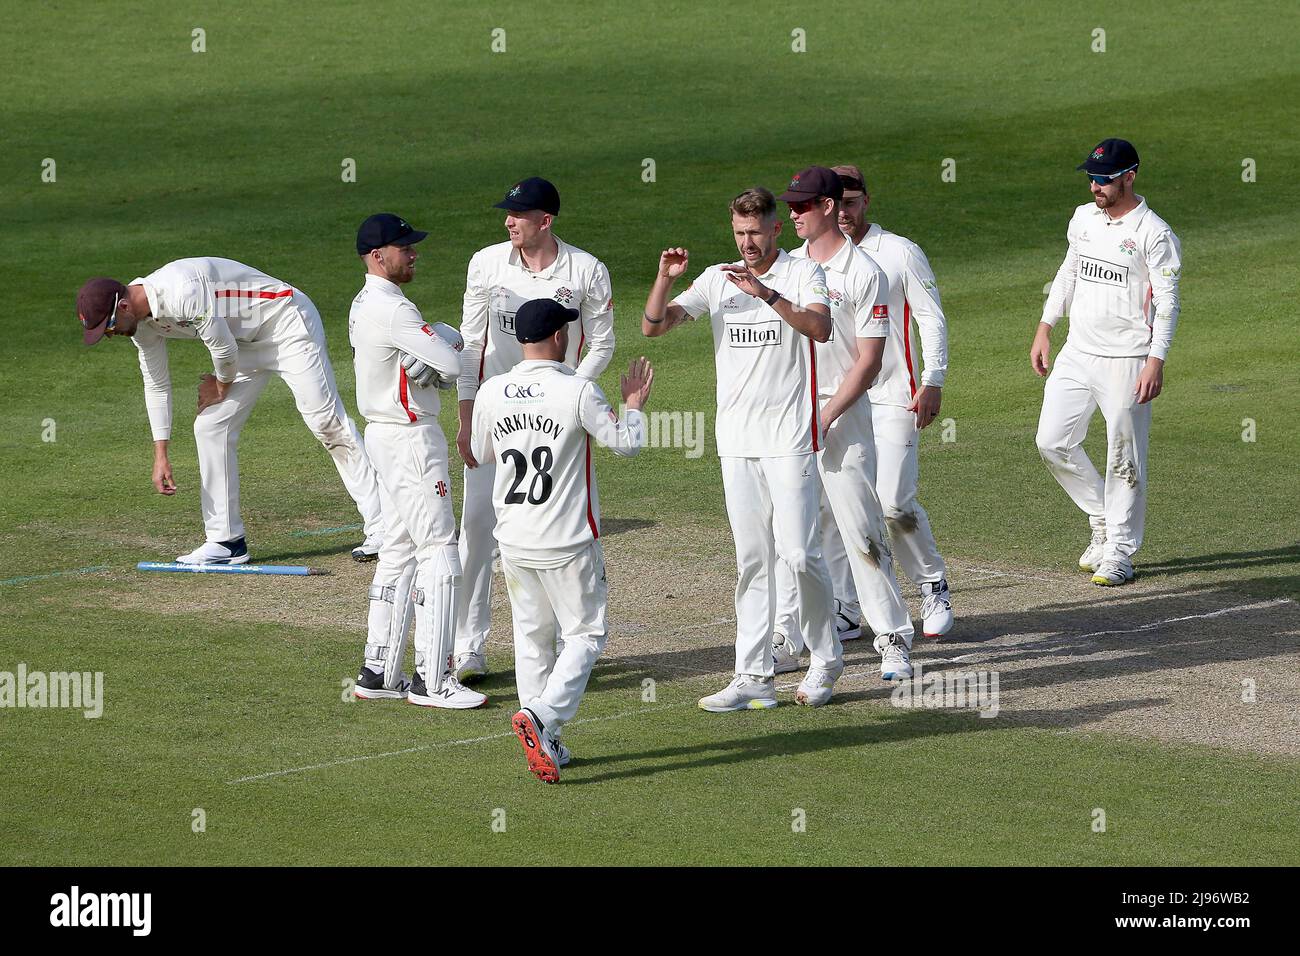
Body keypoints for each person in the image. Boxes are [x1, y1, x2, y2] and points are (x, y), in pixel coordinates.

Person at [644, 186, 845, 711]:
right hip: (736, 442)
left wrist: (767, 295)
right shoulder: (716, 280)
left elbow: (821, 329)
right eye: (739, 233)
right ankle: (753, 675)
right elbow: (654, 326)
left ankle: (826, 658)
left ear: (776, 229)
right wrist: (665, 280)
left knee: (799, 554)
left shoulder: (802, 273)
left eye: (755, 232)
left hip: (790, 438)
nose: (747, 242)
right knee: (753, 559)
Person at [76, 260, 384, 565]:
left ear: (125, 306)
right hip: (244, 345)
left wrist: (221, 387)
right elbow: (156, 383)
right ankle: (226, 542)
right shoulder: (141, 326)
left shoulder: (182, 289)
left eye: (109, 326)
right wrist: (161, 453)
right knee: (211, 426)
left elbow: (222, 348)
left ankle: (386, 527)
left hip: (286, 323)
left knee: (327, 424)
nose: (110, 335)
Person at [471, 299, 651, 782]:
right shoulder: (577, 391)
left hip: (514, 538)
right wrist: (633, 407)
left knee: (533, 641)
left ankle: (545, 742)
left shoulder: (493, 390)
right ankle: (543, 718)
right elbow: (626, 443)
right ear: (558, 337)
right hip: (568, 541)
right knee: (586, 635)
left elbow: (478, 452)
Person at [453, 177, 616, 683]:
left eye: (519, 215)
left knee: (557, 532)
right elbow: (470, 344)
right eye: (507, 213)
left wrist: (569, 394)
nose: (509, 221)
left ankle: (570, 643)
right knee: (477, 529)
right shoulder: (485, 263)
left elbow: (602, 345)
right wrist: (465, 415)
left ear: (546, 221)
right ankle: (468, 647)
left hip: (555, 422)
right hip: (496, 416)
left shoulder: (586, 270)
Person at [771, 166, 916, 681]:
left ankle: (894, 638)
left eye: (802, 206)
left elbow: (870, 362)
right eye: (790, 206)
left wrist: (827, 414)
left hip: (843, 415)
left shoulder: (865, 271)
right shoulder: (786, 268)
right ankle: (789, 639)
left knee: (861, 529)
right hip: (790, 416)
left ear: (829, 207)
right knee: (790, 535)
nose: (792, 215)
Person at [348, 213, 484, 708]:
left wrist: (436, 343)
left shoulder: (364, 302)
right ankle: (433, 679)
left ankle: (378, 672)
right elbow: (453, 363)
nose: (413, 253)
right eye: (404, 247)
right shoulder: (393, 310)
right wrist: (445, 341)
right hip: (410, 437)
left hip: (385, 435)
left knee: (400, 550)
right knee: (439, 548)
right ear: (378, 255)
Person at [1032, 139, 1182, 586]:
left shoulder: (1155, 233)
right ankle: (1102, 518)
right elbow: (1069, 271)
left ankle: (1119, 550)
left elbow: (1170, 303)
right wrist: (1046, 325)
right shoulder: (1083, 218)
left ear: (1130, 177)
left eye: (1105, 179)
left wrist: (1156, 361)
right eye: (1092, 178)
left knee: (1124, 456)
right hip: (1078, 352)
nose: (1096, 186)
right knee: (1051, 441)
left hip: (1129, 358)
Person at [834, 163, 954, 637]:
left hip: (895, 397)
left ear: (866, 200)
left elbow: (931, 317)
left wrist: (934, 379)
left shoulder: (900, 252)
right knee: (839, 507)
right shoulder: (809, 258)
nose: (843, 210)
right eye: (834, 201)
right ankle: (847, 605)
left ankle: (932, 586)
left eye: (851, 200)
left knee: (893, 503)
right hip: (840, 401)